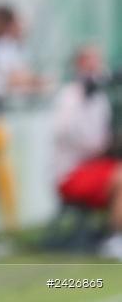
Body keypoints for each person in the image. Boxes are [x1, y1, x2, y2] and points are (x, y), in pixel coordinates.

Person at [52, 45, 122, 257]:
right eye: (90, 61)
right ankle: (115, 238)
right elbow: (66, 133)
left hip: (94, 166)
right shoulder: (69, 96)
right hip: (71, 170)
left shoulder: (100, 99)